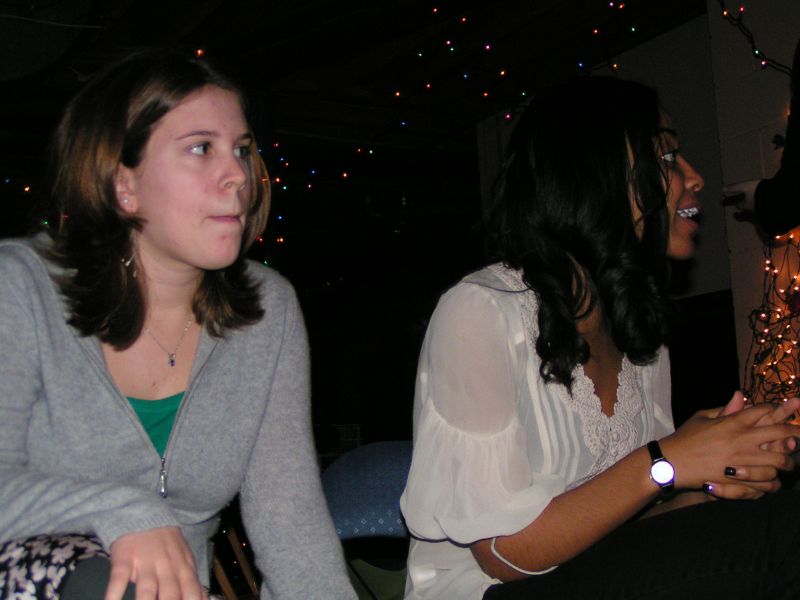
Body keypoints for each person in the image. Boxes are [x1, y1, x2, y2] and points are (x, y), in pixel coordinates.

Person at [400, 76, 800, 600]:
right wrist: (667, 460)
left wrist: (714, 475)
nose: (695, 177)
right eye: (667, 156)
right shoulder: (481, 311)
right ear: (594, 174)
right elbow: (504, 554)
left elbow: (628, 529)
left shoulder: (641, 338)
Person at [0, 50, 356, 600]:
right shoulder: (20, 288)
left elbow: (292, 527)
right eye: (200, 148)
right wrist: (121, 509)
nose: (238, 174)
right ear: (125, 183)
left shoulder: (266, 311)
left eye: (241, 150)